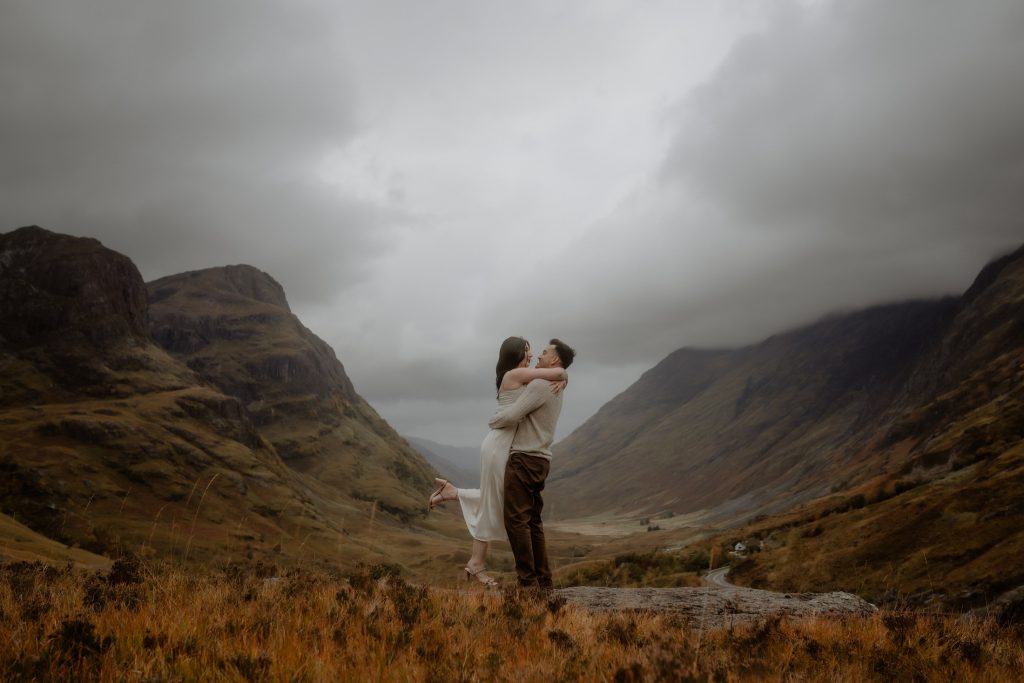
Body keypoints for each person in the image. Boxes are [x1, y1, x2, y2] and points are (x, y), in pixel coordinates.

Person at [428, 337, 567, 587]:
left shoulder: (525, 376)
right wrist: (563, 374)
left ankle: (454, 496)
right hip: (500, 443)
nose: (532, 355)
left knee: (502, 500)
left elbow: (554, 374)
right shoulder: (514, 375)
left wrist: (563, 376)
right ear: (516, 354)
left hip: (505, 443)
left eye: (535, 351)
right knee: (499, 501)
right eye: (527, 351)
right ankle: (477, 562)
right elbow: (555, 372)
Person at [489, 338, 575, 590]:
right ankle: (544, 581)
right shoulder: (556, 385)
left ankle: (527, 584)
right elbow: (559, 375)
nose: (538, 355)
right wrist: (564, 376)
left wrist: (493, 421)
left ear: (555, 360)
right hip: (541, 459)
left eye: (545, 353)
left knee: (516, 521)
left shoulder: (539, 385)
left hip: (524, 458)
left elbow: (513, 415)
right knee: (533, 522)